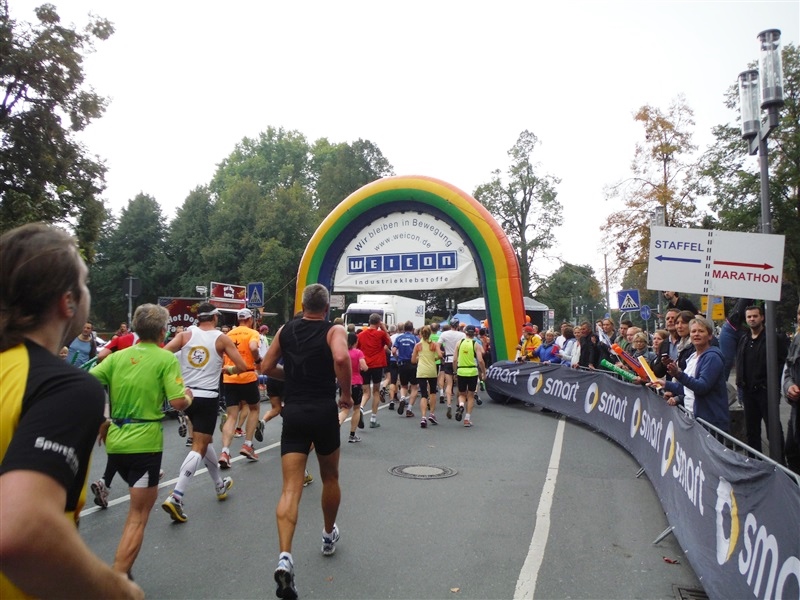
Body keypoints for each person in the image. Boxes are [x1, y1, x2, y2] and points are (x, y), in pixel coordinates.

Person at [0, 223, 143, 599]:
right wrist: (117, 590)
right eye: (85, 283)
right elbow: (21, 530)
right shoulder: (64, 387)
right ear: (68, 302)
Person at [262, 284, 352, 600]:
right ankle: (328, 535)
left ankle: (285, 556)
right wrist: (346, 394)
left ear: (303, 305)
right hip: (323, 411)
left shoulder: (285, 330)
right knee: (330, 477)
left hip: (295, 412)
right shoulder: (333, 330)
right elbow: (341, 357)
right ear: (326, 308)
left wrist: (293, 376)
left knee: (290, 488)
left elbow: (266, 367)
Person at [90, 303, 189, 579]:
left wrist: (102, 419)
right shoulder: (165, 358)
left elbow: (85, 383)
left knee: (139, 507)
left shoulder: (117, 357)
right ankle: (119, 579)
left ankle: (125, 567)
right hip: (145, 444)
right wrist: (189, 396)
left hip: (116, 442)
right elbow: (178, 402)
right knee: (138, 515)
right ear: (162, 331)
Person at [160, 303, 250, 523]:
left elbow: (162, 356)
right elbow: (242, 366)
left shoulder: (184, 336)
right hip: (208, 397)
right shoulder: (221, 338)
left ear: (198, 318)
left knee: (205, 439)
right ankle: (177, 495)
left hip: (187, 397)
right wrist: (228, 369)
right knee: (199, 446)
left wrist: (177, 378)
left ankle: (219, 485)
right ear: (215, 318)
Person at [658, 317, 729, 433]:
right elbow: (687, 389)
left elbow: (702, 387)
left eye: (701, 331)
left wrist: (679, 374)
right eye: (693, 331)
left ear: (709, 336)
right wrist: (666, 384)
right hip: (692, 417)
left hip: (710, 422)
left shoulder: (712, 357)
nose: (696, 334)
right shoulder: (692, 357)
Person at [735, 305, 789, 455]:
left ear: (762, 317)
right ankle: (754, 462)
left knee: (773, 430)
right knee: (751, 431)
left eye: (755, 316)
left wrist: (773, 384)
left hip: (766, 392)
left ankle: (779, 462)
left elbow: (782, 363)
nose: (752, 319)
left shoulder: (773, 338)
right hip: (748, 392)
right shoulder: (744, 339)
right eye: (749, 317)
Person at [219, 308, 262, 467]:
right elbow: (253, 347)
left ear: (239, 320)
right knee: (254, 409)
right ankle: (247, 445)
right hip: (247, 375)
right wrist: (258, 360)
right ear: (250, 320)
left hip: (229, 377)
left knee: (231, 415)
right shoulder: (252, 333)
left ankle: (225, 452)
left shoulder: (228, 335)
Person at [357, 313, 392, 429]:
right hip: (377, 364)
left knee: (366, 392)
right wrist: (384, 329)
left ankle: (361, 407)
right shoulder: (381, 334)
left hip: (365, 364)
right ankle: (373, 418)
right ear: (379, 322)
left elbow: (358, 348)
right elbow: (389, 343)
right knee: (376, 391)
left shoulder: (361, 335)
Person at [453, 324, 486, 427]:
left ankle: (461, 405)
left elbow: (454, 359)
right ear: (474, 333)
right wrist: (484, 372)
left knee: (462, 394)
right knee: (471, 395)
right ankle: (467, 419)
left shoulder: (459, 343)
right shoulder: (476, 344)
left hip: (461, 370)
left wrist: (455, 372)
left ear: (465, 332)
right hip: (472, 371)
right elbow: (480, 360)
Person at [411, 324, 443, 428]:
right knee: (432, 392)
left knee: (424, 394)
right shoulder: (434, 345)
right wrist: (435, 358)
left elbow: (413, 360)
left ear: (420, 334)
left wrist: (419, 358)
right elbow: (440, 355)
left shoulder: (418, 346)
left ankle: (423, 417)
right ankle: (432, 414)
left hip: (421, 371)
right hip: (432, 370)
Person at [782, 302, 800, 473]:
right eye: (799, 314)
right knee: (792, 452)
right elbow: (788, 370)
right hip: (796, 410)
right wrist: (789, 386)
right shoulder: (797, 339)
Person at [340, 332, 366, 443]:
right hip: (356, 382)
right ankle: (352, 435)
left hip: (344, 382)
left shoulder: (342, 352)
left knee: (344, 409)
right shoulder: (358, 352)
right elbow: (364, 367)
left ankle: (337, 423)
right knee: (356, 409)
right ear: (356, 342)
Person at [439, 319, 466, 419]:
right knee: (459, 384)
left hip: (448, 359)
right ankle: (459, 404)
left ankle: (449, 404)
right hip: (459, 360)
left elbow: (438, 345)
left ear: (450, 325)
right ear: (458, 325)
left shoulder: (444, 334)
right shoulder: (462, 335)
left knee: (449, 384)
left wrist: (440, 355)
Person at [393, 321, 419, 418]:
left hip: (402, 364)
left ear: (404, 329)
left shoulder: (399, 338)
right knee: (414, 387)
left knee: (403, 385)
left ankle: (403, 398)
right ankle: (409, 409)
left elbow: (393, 351)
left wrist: (397, 358)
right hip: (412, 364)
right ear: (412, 329)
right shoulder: (415, 338)